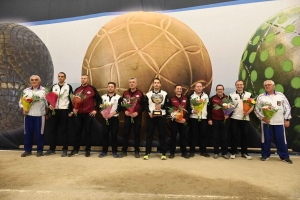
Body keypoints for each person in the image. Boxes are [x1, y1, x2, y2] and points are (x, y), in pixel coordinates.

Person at [254, 80, 292, 164]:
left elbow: (287, 107)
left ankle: (284, 156)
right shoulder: (261, 97)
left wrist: (287, 119)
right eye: (265, 85)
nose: (267, 86)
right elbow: (256, 109)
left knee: (281, 140)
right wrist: (263, 118)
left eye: (269, 85)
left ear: (273, 86)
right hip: (266, 123)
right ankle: (265, 155)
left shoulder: (281, 95)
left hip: (279, 122)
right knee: (266, 139)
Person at [68, 75, 101, 157]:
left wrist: (95, 110)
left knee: (88, 132)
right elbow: (72, 101)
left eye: (85, 78)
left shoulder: (92, 89)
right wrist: (73, 109)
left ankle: (88, 150)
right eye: (82, 78)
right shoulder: (77, 90)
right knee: (77, 132)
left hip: (88, 114)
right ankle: (76, 149)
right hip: (78, 114)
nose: (83, 80)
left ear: (88, 80)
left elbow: (99, 100)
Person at [44, 72, 73, 157]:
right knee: (53, 130)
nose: (60, 78)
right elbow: (49, 98)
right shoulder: (54, 87)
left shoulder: (68, 87)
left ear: (65, 78)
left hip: (64, 110)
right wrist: (50, 106)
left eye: (62, 76)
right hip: (55, 111)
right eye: (59, 76)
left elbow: (72, 99)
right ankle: (52, 149)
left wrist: (70, 111)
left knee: (64, 130)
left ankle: (65, 149)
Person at [19, 75, 48, 157]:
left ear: (39, 81)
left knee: (40, 134)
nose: (34, 81)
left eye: (36, 80)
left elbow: (48, 104)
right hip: (28, 115)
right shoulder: (26, 91)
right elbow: (20, 102)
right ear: (30, 81)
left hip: (39, 115)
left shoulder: (44, 91)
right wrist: (23, 108)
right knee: (27, 133)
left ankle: (40, 150)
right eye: (32, 80)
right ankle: (27, 150)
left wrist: (49, 110)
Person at [144, 78, 169, 160]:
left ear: (160, 84)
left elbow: (168, 105)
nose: (156, 84)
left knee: (162, 135)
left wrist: (161, 106)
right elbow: (145, 106)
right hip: (151, 116)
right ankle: (147, 153)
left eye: (158, 83)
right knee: (149, 135)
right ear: (153, 84)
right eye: (155, 83)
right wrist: (149, 112)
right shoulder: (148, 94)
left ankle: (163, 153)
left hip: (161, 116)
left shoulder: (165, 94)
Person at [120, 78, 144, 158]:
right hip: (127, 116)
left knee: (137, 133)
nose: (131, 84)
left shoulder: (140, 93)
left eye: (133, 82)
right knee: (126, 133)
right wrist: (125, 111)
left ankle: (136, 150)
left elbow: (143, 106)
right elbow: (122, 105)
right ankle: (124, 151)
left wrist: (137, 112)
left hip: (136, 116)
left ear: (136, 84)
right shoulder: (125, 93)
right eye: (130, 82)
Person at [228, 80, 253, 160]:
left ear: (243, 85)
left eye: (241, 85)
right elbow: (229, 106)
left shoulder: (249, 94)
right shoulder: (231, 95)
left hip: (245, 118)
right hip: (234, 118)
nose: (239, 86)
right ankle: (233, 152)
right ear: (235, 86)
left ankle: (244, 152)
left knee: (245, 135)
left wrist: (248, 112)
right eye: (238, 85)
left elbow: (253, 105)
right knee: (234, 135)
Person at [99, 82, 122, 158]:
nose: (110, 88)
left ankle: (114, 151)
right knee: (104, 135)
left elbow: (120, 108)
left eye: (112, 87)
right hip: (105, 119)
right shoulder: (103, 97)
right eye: (109, 86)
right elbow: (99, 107)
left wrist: (111, 114)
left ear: (114, 88)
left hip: (114, 119)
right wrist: (103, 114)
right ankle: (104, 151)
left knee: (114, 136)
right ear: (107, 87)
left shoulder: (119, 97)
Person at [188, 82, 210, 158]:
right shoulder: (191, 96)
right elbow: (187, 107)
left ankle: (203, 151)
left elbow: (209, 108)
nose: (199, 88)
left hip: (203, 118)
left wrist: (209, 118)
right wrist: (192, 111)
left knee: (203, 135)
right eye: (197, 86)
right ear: (194, 88)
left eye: (200, 86)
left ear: (202, 87)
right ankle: (192, 151)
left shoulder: (206, 96)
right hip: (193, 118)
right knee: (193, 135)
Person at [208, 84, 230, 159]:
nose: (220, 90)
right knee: (215, 137)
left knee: (225, 137)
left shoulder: (227, 98)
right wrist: (209, 119)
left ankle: (224, 153)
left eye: (221, 89)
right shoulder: (212, 98)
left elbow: (231, 108)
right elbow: (209, 110)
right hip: (215, 120)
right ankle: (216, 152)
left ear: (223, 90)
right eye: (218, 89)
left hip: (225, 120)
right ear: (216, 90)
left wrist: (228, 115)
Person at [168, 84, 189, 159]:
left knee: (183, 137)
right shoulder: (171, 99)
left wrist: (185, 119)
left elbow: (188, 110)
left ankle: (184, 152)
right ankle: (172, 153)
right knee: (173, 136)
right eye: (177, 89)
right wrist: (174, 117)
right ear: (174, 90)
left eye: (180, 89)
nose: (179, 90)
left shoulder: (186, 99)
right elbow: (169, 110)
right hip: (174, 121)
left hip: (183, 121)